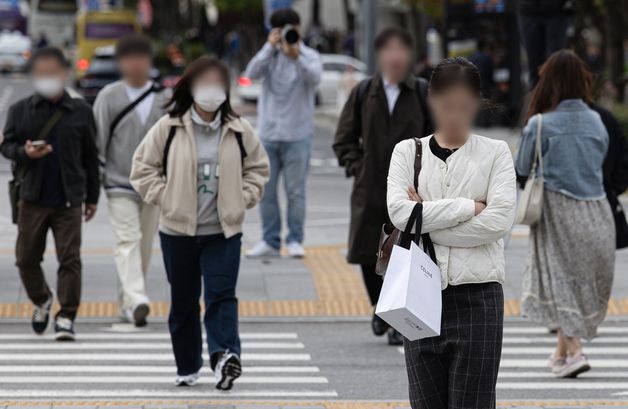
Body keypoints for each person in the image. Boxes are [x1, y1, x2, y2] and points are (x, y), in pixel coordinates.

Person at [130, 57, 270, 389]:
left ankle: (224, 356)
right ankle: (188, 365)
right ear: (190, 87)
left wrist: (243, 196)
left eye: (217, 82)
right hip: (177, 231)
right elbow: (142, 169)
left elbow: (259, 169)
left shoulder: (239, 129)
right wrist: (167, 198)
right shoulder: (169, 127)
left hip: (224, 232)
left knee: (222, 296)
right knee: (183, 301)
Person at [388, 57, 516, 408]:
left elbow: (498, 223)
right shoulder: (407, 153)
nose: (454, 114)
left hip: (479, 300)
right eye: (446, 105)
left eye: (463, 105)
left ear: (477, 103)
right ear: (431, 100)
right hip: (419, 296)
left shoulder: (496, 153)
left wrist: (424, 221)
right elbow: (400, 214)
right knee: (424, 402)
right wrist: (468, 208)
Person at [515, 50, 615, 378]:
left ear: (550, 83)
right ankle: (560, 355)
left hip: (558, 211)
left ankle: (575, 352)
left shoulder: (541, 123)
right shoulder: (597, 121)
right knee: (574, 284)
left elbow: (520, 167)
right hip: (597, 212)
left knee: (559, 281)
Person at [333, 27, 433, 346]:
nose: (395, 56)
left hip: (410, 190)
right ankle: (379, 306)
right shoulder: (364, 92)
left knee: (405, 252)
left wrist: (427, 178)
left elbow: (438, 138)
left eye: (401, 50)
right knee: (367, 252)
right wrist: (357, 167)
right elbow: (343, 139)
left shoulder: (421, 91)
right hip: (371, 187)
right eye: (388, 50)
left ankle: (394, 318)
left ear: (409, 56)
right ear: (380, 56)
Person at [0, 47, 100, 341]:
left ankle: (66, 315)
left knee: (70, 259)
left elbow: (90, 157)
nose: (47, 79)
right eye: (42, 74)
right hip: (32, 196)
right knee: (25, 258)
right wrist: (26, 153)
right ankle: (42, 299)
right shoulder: (21, 110)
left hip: (69, 198)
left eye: (52, 73)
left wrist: (92, 196)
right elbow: (7, 147)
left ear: (64, 74)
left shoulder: (80, 110)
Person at [93, 34, 170, 327]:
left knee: (145, 245)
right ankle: (138, 297)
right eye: (129, 59)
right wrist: (95, 185)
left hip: (154, 186)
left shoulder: (164, 98)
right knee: (128, 239)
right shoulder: (109, 96)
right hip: (118, 182)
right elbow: (98, 142)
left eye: (141, 58)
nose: (135, 64)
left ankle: (126, 304)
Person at [244, 8, 322, 258]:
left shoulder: (309, 56)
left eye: (291, 29)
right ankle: (270, 240)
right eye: (281, 30)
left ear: (299, 29)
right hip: (268, 132)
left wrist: (296, 55)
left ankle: (295, 239)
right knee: (265, 191)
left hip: (298, 134)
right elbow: (250, 74)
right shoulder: (269, 57)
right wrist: (269, 47)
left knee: (295, 191)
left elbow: (315, 79)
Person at [517, 0, 569, 87]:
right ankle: (537, 97)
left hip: (557, 10)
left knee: (555, 63)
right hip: (527, 10)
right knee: (534, 66)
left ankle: (555, 97)